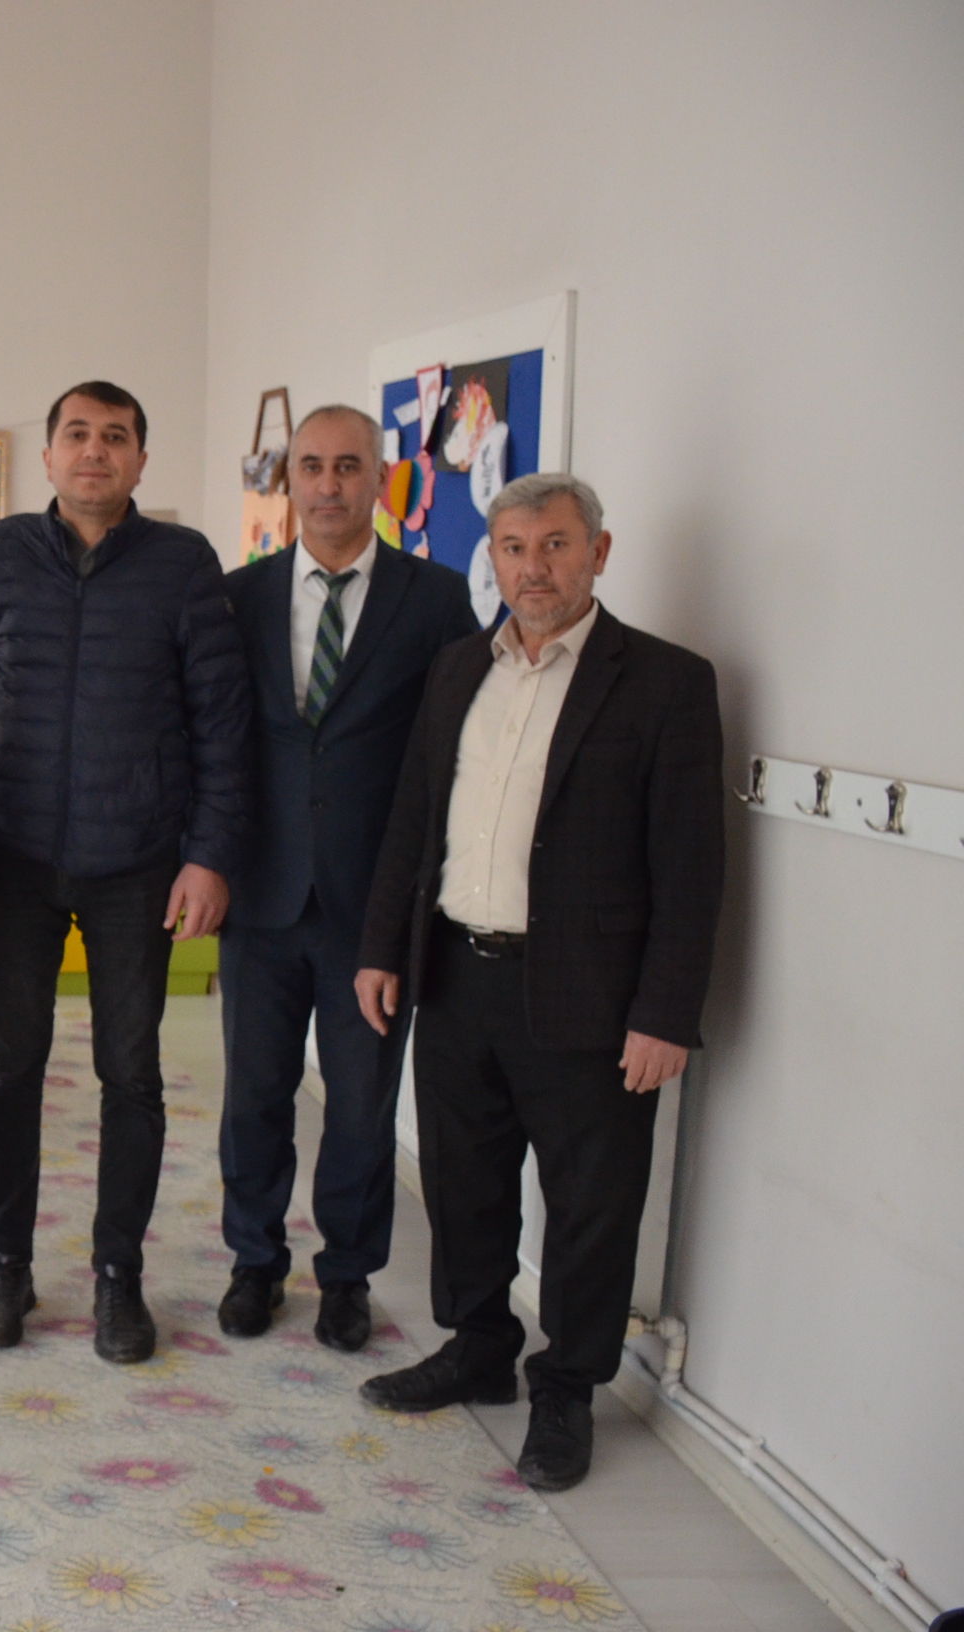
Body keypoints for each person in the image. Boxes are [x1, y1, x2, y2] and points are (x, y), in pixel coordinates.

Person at [354, 471, 723, 1492]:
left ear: (597, 553)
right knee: (463, 1181)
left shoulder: (664, 683)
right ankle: (478, 1347)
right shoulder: (455, 670)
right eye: (514, 549)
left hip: (591, 995)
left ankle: (566, 1388)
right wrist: (382, 947)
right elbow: (412, 820)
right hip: (455, 974)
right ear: (494, 559)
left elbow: (692, 868)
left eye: (555, 545)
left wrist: (665, 1014)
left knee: (590, 1203)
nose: (534, 568)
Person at [0, 381, 251, 1365]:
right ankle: (5, 1264)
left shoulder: (182, 562)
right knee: (8, 1067)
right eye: (76, 434)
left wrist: (208, 855)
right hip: (14, 855)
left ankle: (118, 1274)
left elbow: (221, 723)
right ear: (46, 456)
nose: (94, 451)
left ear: (139, 460)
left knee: (132, 1073)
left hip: (138, 863)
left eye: (114, 436)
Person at [215, 407, 478, 1350]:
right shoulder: (238, 597)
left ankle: (347, 1277)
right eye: (312, 466)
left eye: (348, 466)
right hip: (261, 894)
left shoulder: (436, 599)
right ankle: (255, 1262)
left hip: (373, 907)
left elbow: (455, 750)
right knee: (255, 1094)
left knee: (362, 1104)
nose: (328, 484)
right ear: (289, 478)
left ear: (380, 479)